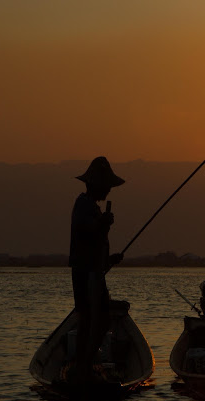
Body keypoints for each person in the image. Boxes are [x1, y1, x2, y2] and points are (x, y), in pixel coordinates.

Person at [68, 156, 125, 382]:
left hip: (94, 271)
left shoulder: (91, 207)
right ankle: (83, 366)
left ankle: (85, 364)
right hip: (86, 273)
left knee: (96, 320)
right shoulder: (83, 205)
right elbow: (86, 231)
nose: (109, 190)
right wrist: (104, 224)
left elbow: (94, 244)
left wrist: (109, 259)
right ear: (96, 185)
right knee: (92, 320)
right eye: (107, 186)